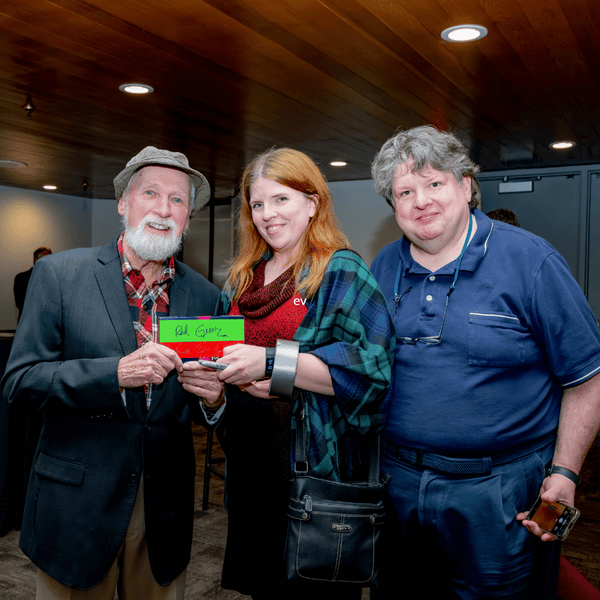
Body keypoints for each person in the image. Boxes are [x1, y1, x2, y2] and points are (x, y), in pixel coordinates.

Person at [369, 125, 600, 599]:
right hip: (398, 486)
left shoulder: (530, 260)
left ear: (467, 186)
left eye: (434, 183)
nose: (421, 201)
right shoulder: (384, 266)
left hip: (500, 494)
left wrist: (566, 471)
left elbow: (588, 378)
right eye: (404, 192)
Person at [1, 146, 220, 599]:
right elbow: (19, 382)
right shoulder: (59, 274)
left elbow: (204, 406)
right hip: (77, 502)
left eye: (178, 200)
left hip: (163, 508)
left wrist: (214, 397)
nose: (164, 209)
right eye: (151, 193)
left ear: (188, 216)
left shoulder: (205, 297)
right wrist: (112, 374)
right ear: (123, 203)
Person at [179, 148, 394, 599]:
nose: (267, 215)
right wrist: (212, 394)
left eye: (281, 200)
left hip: (311, 473)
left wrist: (274, 363)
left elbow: (373, 371)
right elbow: (222, 374)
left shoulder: (340, 270)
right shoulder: (242, 279)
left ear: (312, 202)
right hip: (249, 469)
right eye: (257, 204)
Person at [13, 246, 52, 322]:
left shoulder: (55, 279)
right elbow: (20, 302)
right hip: (27, 323)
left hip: (49, 325)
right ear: (35, 259)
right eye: (44, 257)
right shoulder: (21, 278)